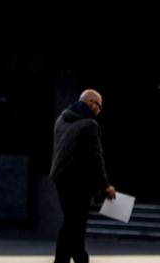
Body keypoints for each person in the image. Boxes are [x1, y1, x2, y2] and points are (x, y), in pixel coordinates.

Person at [50, 89, 116, 263]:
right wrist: (105, 186)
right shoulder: (89, 125)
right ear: (90, 103)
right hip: (78, 182)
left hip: (60, 178)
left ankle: (71, 258)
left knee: (71, 223)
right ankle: (78, 258)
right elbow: (96, 158)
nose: (99, 110)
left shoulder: (61, 119)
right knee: (75, 224)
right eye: (99, 105)